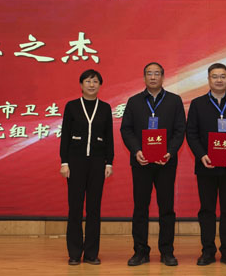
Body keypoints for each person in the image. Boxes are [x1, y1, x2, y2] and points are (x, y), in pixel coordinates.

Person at [120, 62, 186, 266]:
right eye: (149, 73)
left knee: (167, 208)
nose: (153, 77)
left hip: (166, 162)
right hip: (141, 162)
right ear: (144, 77)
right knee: (140, 208)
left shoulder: (174, 101)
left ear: (163, 77)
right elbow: (126, 129)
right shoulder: (134, 101)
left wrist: (169, 152)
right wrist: (136, 151)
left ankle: (167, 251)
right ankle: (140, 251)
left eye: (157, 73)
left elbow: (180, 130)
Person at [186, 63, 226, 267]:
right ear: (208, 79)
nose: (219, 80)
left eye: (223, 76)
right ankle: (207, 251)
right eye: (215, 76)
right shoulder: (197, 104)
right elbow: (191, 133)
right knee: (207, 210)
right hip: (206, 166)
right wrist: (201, 155)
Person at [59, 69, 114, 265]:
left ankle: (91, 253)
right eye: (88, 81)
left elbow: (109, 137)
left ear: (100, 85)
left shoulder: (105, 108)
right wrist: (64, 162)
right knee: (75, 208)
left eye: (95, 81)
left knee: (94, 209)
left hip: (98, 163)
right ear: (81, 84)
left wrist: (109, 162)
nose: (92, 85)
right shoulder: (72, 106)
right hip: (75, 162)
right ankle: (74, 253)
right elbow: (65, 136)